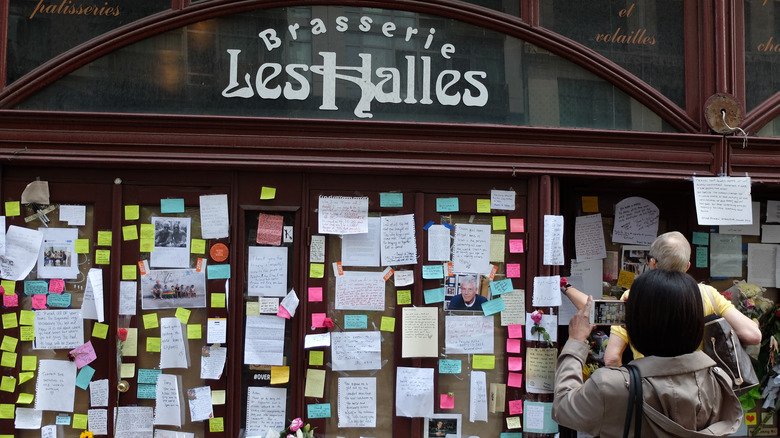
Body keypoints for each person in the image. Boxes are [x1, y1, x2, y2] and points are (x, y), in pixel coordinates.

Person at [553, 270, 742, 437]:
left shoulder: (611, 386)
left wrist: (576, 341)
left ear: (635, 325)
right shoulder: (719, 381)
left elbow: (563, 408)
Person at [562, 231, 761, 366]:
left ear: (652, 263)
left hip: (650, 389)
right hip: (697, 389)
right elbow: (753, 336)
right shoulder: (708, 294)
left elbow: (612, 358)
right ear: (688, 266)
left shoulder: (633, 296)